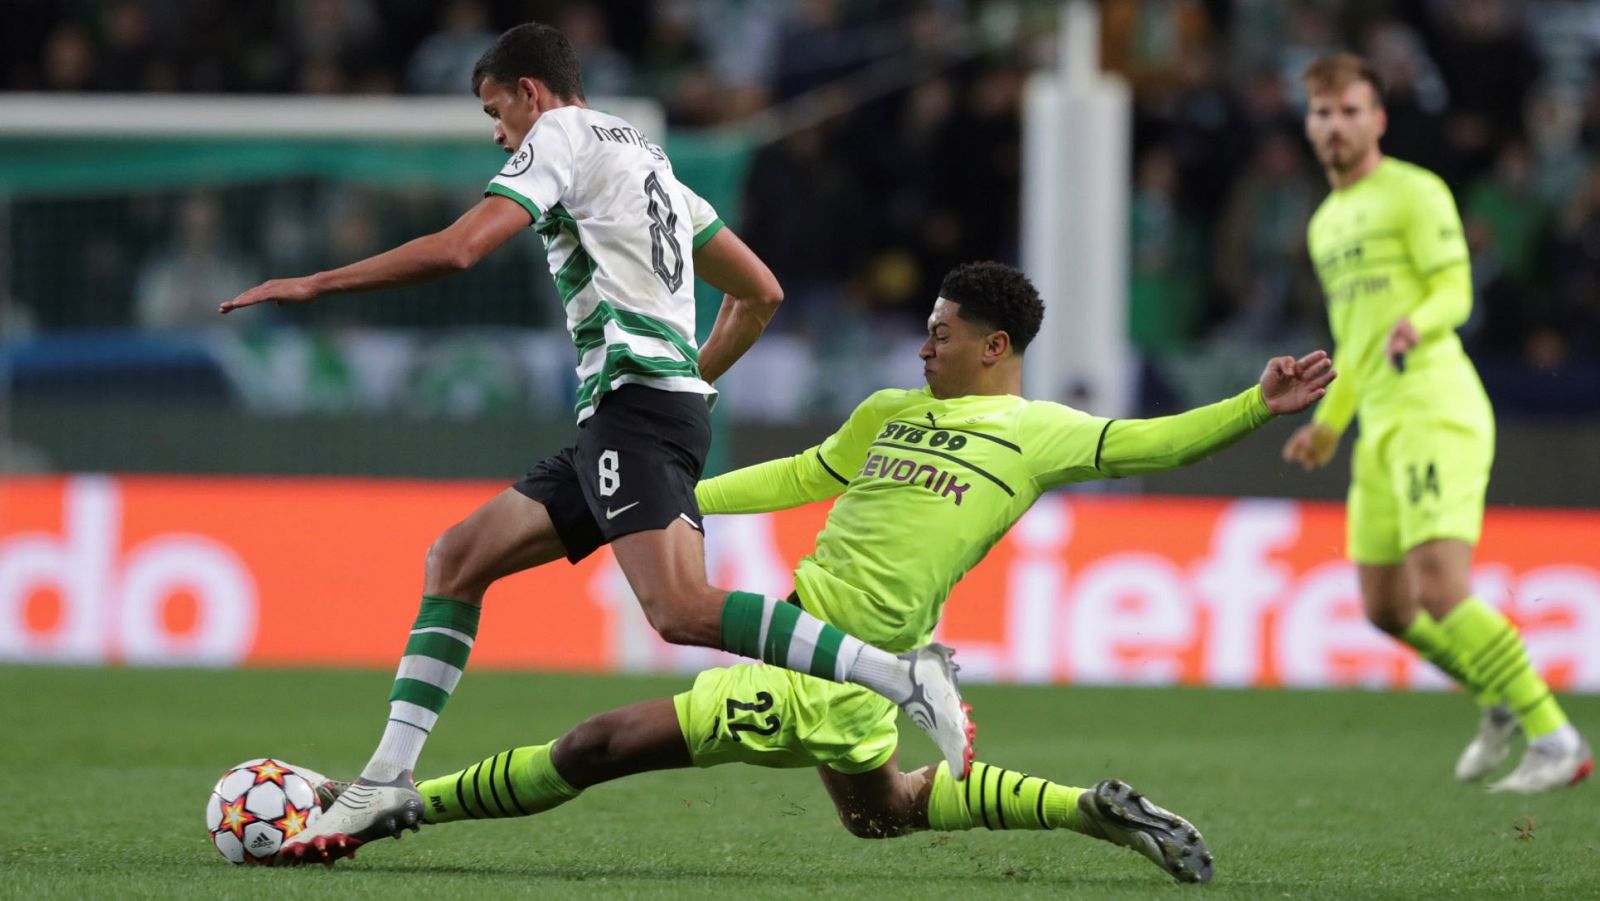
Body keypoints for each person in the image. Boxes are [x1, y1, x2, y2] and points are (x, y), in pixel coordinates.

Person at [289, 261, 1339, 880]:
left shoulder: (1042, 433)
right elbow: (803, 473)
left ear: (996, 344)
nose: (922, 348)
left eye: (941, 336)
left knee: (598, 741)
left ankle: (403, 803)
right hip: (813, 632)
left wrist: (1256, 404)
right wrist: (657, 506)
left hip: (839, 663)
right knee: (878, 810)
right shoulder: (890, 413)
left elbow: (1156, 444)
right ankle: (1084, 808)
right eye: (923, 332)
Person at [219, 22, 971, 861]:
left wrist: (318, 281)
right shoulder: (646, 155)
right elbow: (760, 291)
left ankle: (899, 675)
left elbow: (463, 251)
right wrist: (691, 378)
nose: (497, 134)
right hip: (640, 408)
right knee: (459, 557)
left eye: (494, 110)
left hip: (634, 408)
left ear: (531, 92)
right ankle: (386, 778)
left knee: (680, 608)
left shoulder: (563, 135)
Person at [1282, 52, 1591, 793]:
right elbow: (1354, 340)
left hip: (1435, 406)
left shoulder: (1415, 193)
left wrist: (1416, 323)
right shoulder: (1326, 224)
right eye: (1324, 113)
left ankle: (1555, 737)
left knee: (1443, 588)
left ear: (1378, 118)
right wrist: (1330, 422)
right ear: (1308, 123)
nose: (1336, 126)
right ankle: (1496, 695)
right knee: (1387, 607)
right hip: (1378, 427)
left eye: (1352, 111)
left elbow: (1456, 289)